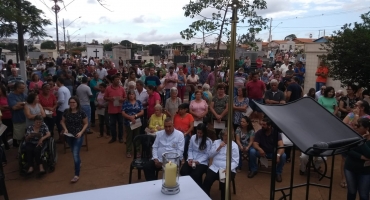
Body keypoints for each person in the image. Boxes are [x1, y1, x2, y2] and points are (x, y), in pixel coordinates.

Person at [202, 129, 239, 200]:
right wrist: (219, 147)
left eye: (229, 136)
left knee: (224, 185)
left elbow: (235, 161)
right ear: (222, 136)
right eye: (225, 135)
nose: (226, 137)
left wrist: (228, 168)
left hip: (227, 169)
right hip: (215, 167)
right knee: (207, 181)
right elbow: (210, 155)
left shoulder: (234, 146)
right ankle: (205, 197)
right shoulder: (216, 142)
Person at [248, 118, 286, 182]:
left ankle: (278, 173)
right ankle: (253, 169)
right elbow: (255, 143)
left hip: (272, 153)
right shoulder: (259, 132)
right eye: (262, 124)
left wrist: (278, 155)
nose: (262, 126)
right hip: (262, 152)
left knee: (283, 156)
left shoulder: (276, 133)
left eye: (264, 125)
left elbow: (281, 145)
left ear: (269, 126)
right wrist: (259, 149)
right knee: (252, 151)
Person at [60, 96, 88, 183]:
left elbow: (86, 123)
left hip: (78, 135)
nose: (72, 104)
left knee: (75, 153)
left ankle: (76, 174)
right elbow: (62, 121)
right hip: (69, 135)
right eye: (70, 102)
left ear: (77, 103)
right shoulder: (66, 112)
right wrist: (65, 128)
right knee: (73, 151)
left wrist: (81, 132)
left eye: (74, 102)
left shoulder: (81, 112)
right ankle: (79, 161)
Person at [344, 117, 370, 200]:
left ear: (367, 129)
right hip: (350, 168)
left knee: (363, 194)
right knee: (351, 192)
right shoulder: (352, 135)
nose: (355, 127)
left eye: (358, 126)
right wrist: (361, 156)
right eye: (355, 125)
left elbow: (369, 154)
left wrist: (361, 141)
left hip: (365, 171)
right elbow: (346, 150)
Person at [121, 90, 144, 158]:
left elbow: (142, 112)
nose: (131, 95)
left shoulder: (138, 102)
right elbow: (123, 112)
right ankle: (128, 151)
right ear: (128, 95)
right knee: (129, 137)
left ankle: (137, 151)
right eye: (130, 94)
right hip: (128, 122)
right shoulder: (125, 103)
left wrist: (135, 116)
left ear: (135, 95)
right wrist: (130, 117)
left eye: (132, 94)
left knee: (137, 136)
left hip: (137, 122)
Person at [104, 75, 126, 143]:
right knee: (112, 124)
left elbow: (125, 97)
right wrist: (110, 99)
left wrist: (122, 99)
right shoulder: (108, 88)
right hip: (112, 110)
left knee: (120, 124)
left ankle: (120, 137)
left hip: (120, 110)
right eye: (116, 79)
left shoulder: (122, 88)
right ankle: (113, 137)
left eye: (118, 79)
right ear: (112, 81)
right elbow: (105, 97)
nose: (118, 81)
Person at [8, 82, 27, 147]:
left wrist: (20, 104)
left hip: (25, 118)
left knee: (26, 136)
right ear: (16, 88)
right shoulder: (11, 96)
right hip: (17, 119)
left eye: (24, 88)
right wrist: (25, 104)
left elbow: (29, 103)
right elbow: (14, 107)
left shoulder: (24, 95)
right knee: (19, 137)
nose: (23, 89)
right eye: (22, 88)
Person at [56, 77, 71, 143]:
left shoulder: (60, 89)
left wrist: (56, 103)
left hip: (62, 109)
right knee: (66, 124)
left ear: (59, 81)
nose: (56, 83)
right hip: (68, 108)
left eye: (57, 81)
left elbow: (61, 100)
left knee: (60, 125)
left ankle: (62, 139)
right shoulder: (66, 88)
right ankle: (67, 138)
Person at [0, 85, 12, 149]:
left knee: (12, 130)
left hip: (11, 116)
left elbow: (12, 105)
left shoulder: (8, 96)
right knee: (4, 133)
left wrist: (4, 107)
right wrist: (8, 107)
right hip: (3, 118)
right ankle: (6, 145)